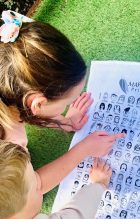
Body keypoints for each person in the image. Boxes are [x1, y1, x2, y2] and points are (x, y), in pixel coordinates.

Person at [0, 11, 124, 194]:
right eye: (66, 103)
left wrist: (64, 122)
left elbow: (28, 107)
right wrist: (83, 149)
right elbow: (34, 187)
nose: (68, 107)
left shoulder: (8, 77)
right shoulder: (10, 145)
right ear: (38, 104)